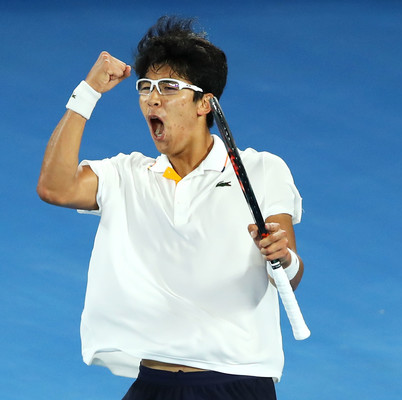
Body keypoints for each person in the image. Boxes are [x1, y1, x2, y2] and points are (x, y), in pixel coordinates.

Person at [37, 16, 304, 400]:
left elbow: (288, 273)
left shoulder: (262, 170)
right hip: (154, 384)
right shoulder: (128, 175)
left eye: (168, 87)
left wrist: (284, 258)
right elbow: (54, 187)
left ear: (204, 103)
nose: (152, 98)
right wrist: (88, 91)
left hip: (237, 382)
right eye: (145, 87)